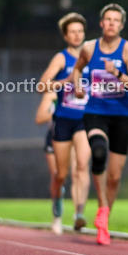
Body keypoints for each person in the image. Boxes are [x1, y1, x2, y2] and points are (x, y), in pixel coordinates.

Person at [72, 3, 128, 245]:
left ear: (121, 25)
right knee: (98, 151)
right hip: (95, 111)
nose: (111, 23)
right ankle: (102, 206)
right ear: (101, 23)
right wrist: (78, 85)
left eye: (116, 20)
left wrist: (118, 74)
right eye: (107, 19)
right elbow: (77, 69)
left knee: (114, 176)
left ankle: (105, 220)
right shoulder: (89, 48)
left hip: (122, 115)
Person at [36, 14, 90, 234]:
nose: (77, 35)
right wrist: (66, 81)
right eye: (72, 32)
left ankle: (78, 214)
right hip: (63, 120)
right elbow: (42, 86)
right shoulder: (61, 58)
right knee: (60, 174)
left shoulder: (92, 56)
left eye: (80, 31)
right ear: (66, 36)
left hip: (85, 120)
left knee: (82, 166)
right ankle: (57, 205)